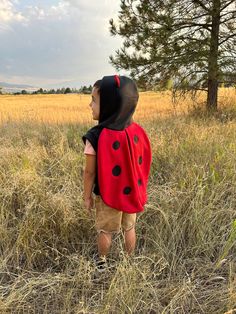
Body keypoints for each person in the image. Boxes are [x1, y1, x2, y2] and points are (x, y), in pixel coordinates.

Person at [82, 75, 152, 268]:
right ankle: (129, 262)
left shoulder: (95, 136)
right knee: (129, 227)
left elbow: (89, 173)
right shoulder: (136, 130)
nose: (90, 105)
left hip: (107, 194)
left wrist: (87, 197)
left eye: (94, 101)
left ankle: (102, 263)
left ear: (109, 106)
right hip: (131, 192)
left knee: (105, 230)